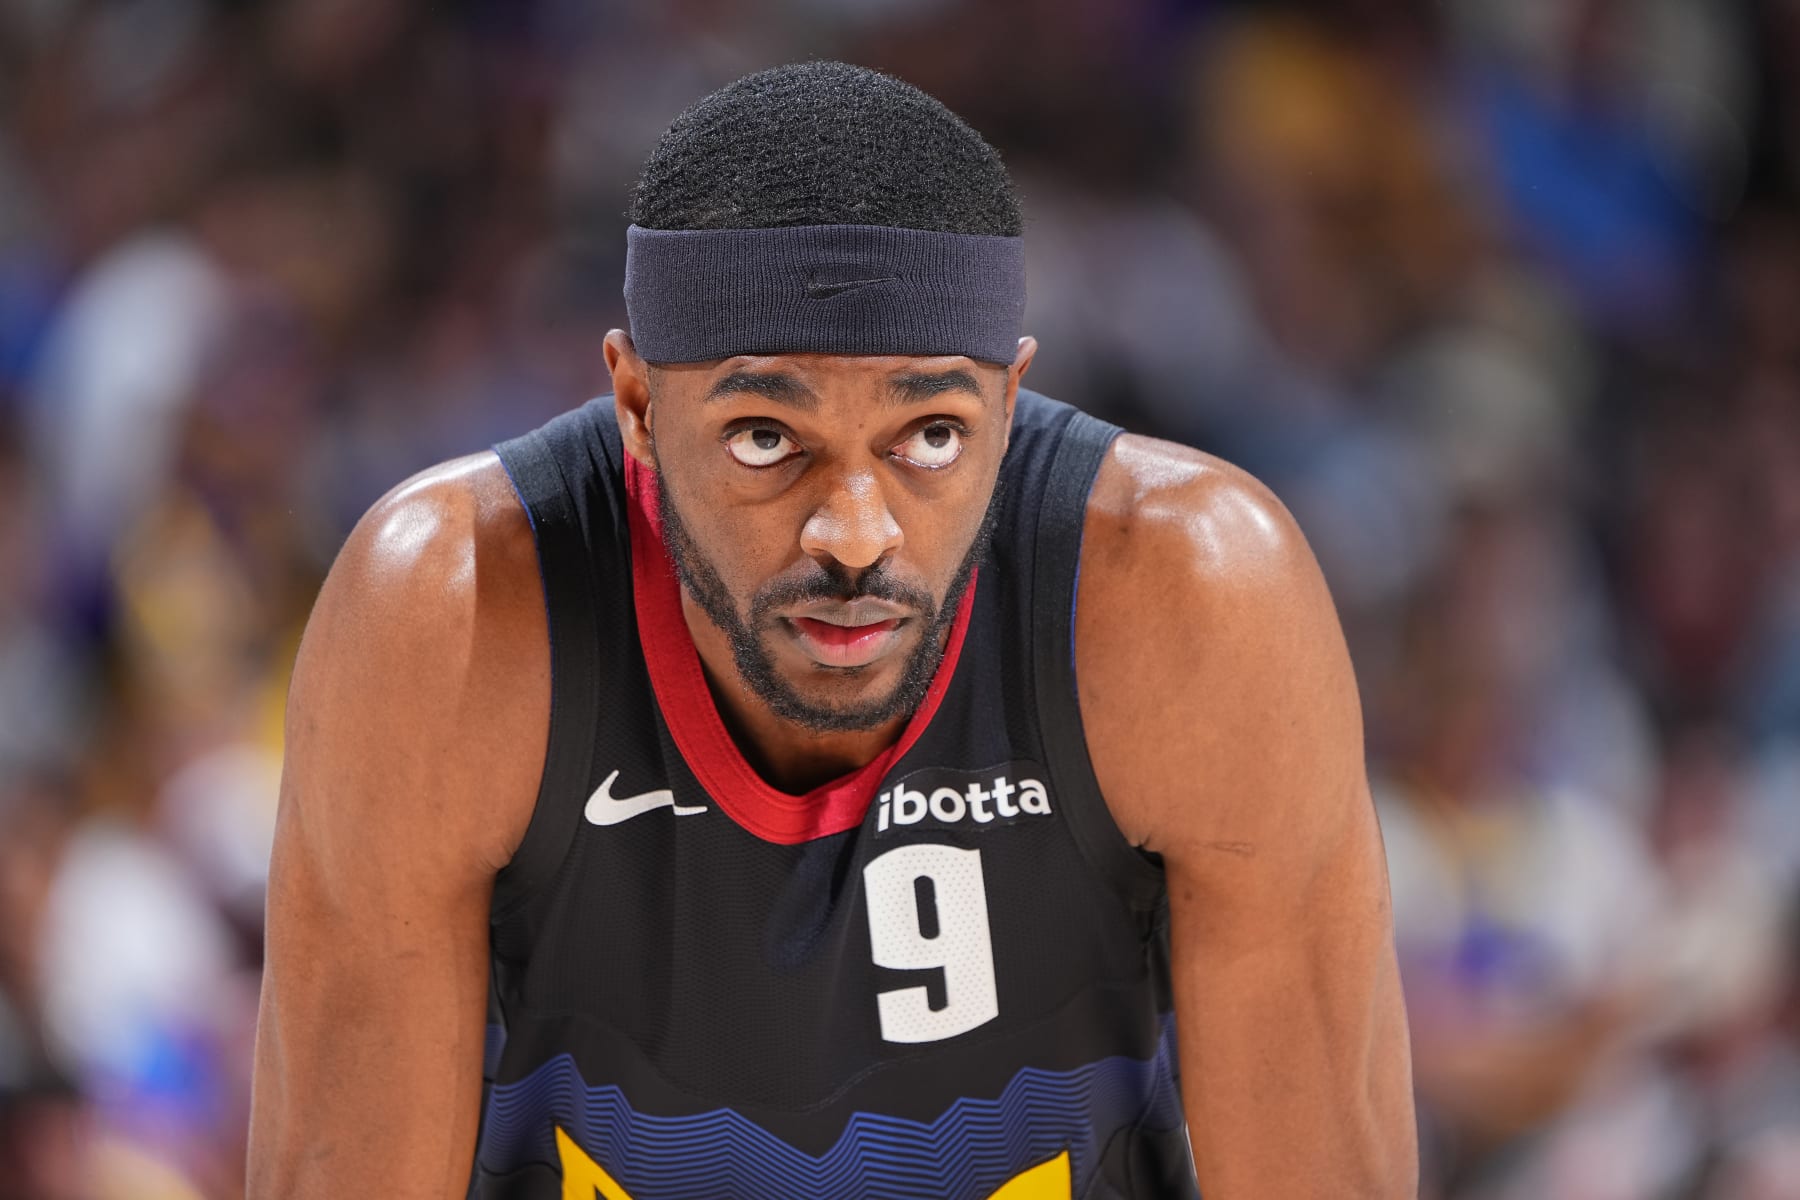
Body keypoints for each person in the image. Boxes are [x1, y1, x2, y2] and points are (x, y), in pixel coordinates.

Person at [246, 62, 1416, 1199]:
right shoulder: (449, 615)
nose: (854, 534)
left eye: (931, 437)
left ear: (1009, 408)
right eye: (767, 436)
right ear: (640, 408)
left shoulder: (1190, 598)